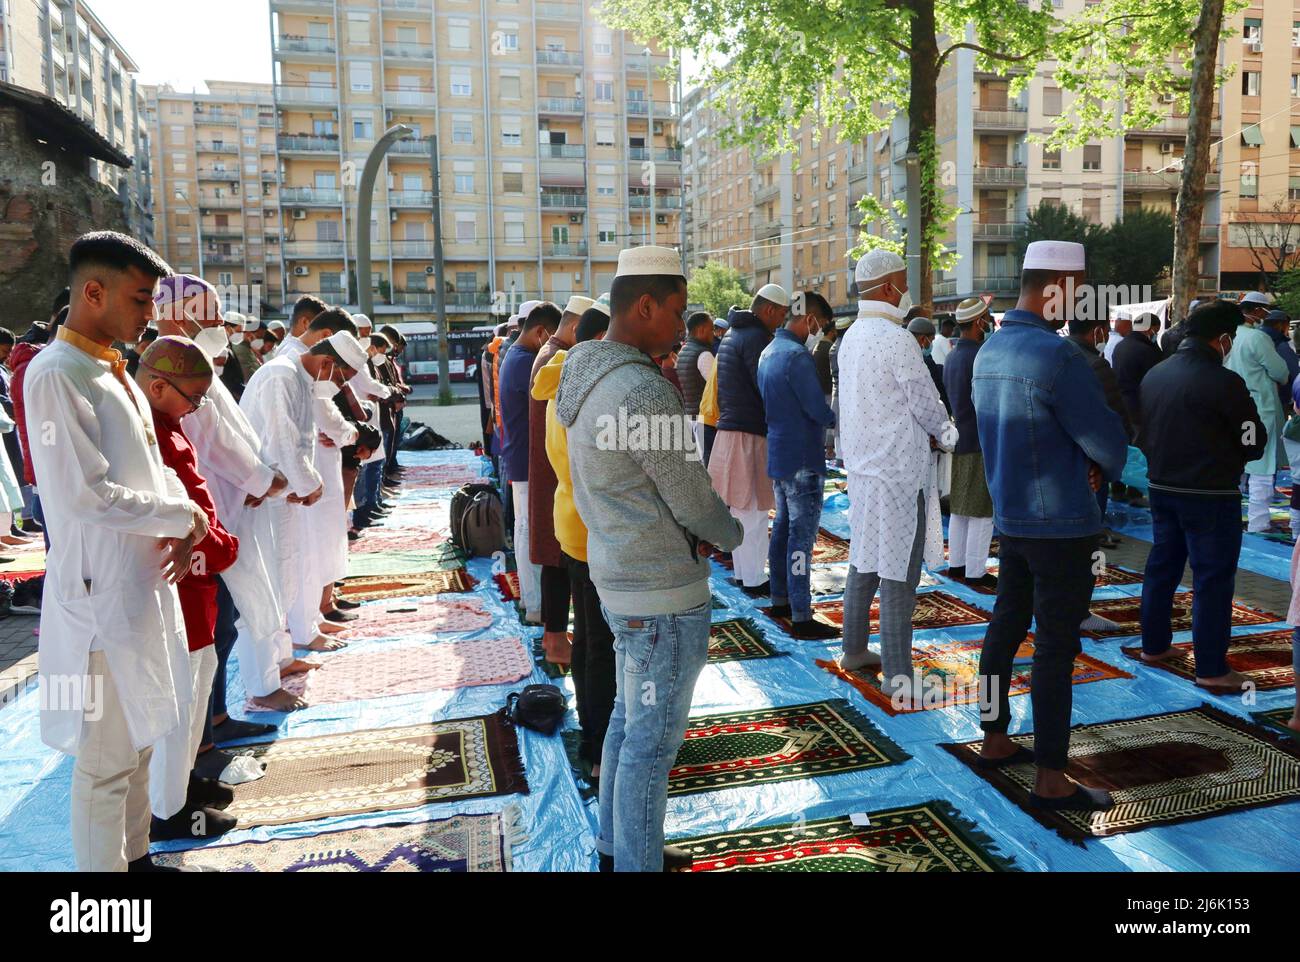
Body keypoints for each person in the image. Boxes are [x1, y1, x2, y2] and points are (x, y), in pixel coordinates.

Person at [27, 232, 210, 872]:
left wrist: (185, 521)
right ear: (94, 292)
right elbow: (83, 495)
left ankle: (136, 863)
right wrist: (179, 513)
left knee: (139, 742)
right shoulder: (54, 374)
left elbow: (152, 471)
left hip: (141, 590)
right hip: (97, 607)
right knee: (104, 763)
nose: (149, 316)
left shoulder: (116, 371)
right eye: (140, 299)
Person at [557, 246, 743, 872]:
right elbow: (691, 498)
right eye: (678, 311)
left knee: (626, 721)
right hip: (660, 589)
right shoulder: (641, 390)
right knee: (652, 741)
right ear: (645, 306)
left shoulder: (584, 368)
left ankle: (617, 845)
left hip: (617, 574)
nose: (685, 325)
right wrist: (733, 533)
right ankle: (636, 860)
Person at [971, 240, 1129, 812]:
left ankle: (994, 738)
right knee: (1055, 648)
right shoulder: (1056, 358)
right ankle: (1051, 777)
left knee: (1006, 625)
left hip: (1010, 516)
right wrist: (1093, 463)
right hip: (1060, 523)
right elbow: (1106, 440)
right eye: (1078, 288)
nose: (1079, 300)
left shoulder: (989, 349)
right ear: (1057, 287)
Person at [152, 276, 302, 724]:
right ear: (180, 314)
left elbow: (234, 435)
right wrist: (262, 480)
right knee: (214, 626)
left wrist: (261, 479)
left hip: (230, 510)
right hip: (211, 516)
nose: (220, 324)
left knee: (226, 620)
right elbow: (215, 443)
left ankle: (212, 721)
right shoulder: (174, 367)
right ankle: (208, 726)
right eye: (212, 316)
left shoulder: (197, 362)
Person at [135, 336, 242, 842]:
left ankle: (177, 788)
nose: (196, 408)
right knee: (179, 701)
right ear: (158, 385)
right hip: (180, 584)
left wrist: (216, 543)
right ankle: (168, 811)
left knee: (197, 688)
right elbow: (176, 517)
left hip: (197, 585)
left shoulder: (167, 426)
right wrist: (219, 548)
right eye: (191, 397)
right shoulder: (143, 436)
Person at [837, 250, 955, 704]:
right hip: (899, 474)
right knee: (898, 574)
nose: (908, 289)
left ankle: (852, 650)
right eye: (904, 281)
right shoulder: (896, 339)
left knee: (864, 560)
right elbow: (926, 403)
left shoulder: (852, 337)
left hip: (865, 470)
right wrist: (949, 434)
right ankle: (898, 676)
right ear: (889, 288)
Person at [1137, 300, 1266, 695]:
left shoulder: (1156, 374)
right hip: (1209, 494)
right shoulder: (1224, 383)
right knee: (1212, 578)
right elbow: (1253, 440)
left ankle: (1154, 646)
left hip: (1162, 488)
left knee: (1163, 567)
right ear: (1223, 339)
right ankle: (1211, 667)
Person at [533, 304, 617, 782]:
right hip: (594, 526)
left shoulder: (558, 380)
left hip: (571, 522)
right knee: (600, 645)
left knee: (588, 640)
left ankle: (593, 735)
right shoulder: (591, 387)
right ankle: (601, 745)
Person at [240, 320, 356, 654]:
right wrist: (310, 485)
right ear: (327, 363)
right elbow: (283, 443)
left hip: (285, 492)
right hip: (267, 494)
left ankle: (294, 644)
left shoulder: (298, 376)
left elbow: (300, 442)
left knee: (295, 566)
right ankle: (273, 667)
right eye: (340, 378)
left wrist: (305, 485)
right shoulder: (282, 374)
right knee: (273, 582)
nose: (339, 387)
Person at [758, 291, 837, 639]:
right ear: (810, 320)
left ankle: (781, 599)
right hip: (804, 457)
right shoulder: (797, 357)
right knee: (800, 540)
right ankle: (802, 615)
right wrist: (836, 416)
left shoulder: (768, 351)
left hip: (779, 453)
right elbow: (817, 410)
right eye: (820, 325)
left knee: (784, 532)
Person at [709, 285, 789, 595]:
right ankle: (754, 579)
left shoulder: (732, 333)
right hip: (749, 433)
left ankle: (745, 575)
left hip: (732, 431)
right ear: (769, 310)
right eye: (780, 316)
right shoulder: (756, 338)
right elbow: (766, 386)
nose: (780, 323)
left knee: (741, 512)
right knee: (753, 513)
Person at [529, 295, 592, 664]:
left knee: (556, 562)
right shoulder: (557, 361)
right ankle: (555, 639)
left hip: (553, 472)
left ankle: (555, 637)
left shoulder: (553, 357)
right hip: (556, 473)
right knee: (556, 562)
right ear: (574, 329)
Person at [500, 303, 562, 624]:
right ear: (541, 333)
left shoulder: (515, 355)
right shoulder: (526, 362)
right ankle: (536, 603)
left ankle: (532, 599)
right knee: (529, 530)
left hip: (519, 456)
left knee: (526, 528)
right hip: (526, 459)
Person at [1065, 314, 1134, 551]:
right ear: (1097, 330)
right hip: (1093, 453)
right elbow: (1114, 416)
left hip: (1063, 452)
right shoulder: (1095, 363)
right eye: (1105, 330)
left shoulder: (1056, 356)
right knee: (1093, 503)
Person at [943, 298, 996, 588]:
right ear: (978, 322)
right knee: (981, 511)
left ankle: (957, 565)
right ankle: (976, 572)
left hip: (961, 437)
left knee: (961, 507)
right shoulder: (980, 356)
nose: (988, 323)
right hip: (979, 439)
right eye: (986, 318)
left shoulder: (953, 355)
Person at [1226, 294, 1289, 533]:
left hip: (1233, 409)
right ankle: (1258, 523)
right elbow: (1280, 372)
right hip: (1260, 410)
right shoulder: (1257, 338)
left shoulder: (1228, 336)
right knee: (1261, 467)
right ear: (1259, 311)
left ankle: (1230, 520)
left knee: (1237, 468)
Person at [1111, 312, 1163, 435]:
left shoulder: (1120, 345)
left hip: (1122, 403)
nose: (1155, 335)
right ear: (1148, 329)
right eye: (1155, 331)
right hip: (1140, 407)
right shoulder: (1146, 351)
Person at [676, 311, 715, 454]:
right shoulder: (703, 354)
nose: (714, 333)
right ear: (701, 330)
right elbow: (716, 387)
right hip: (704, 420)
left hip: (690, 417)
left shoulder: (683, 351)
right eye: (711, 329)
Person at [907, 315, 950, 412]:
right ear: (923, 339)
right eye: (931, 340)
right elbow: (939, 396)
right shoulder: (927, 363)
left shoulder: (900, 358)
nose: (931, 344)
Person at [1261, 310, 1299, 412]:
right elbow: (1294, 372)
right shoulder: (1281, 344)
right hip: (1282, 396)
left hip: (1262, 396)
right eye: (1288, 325)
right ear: (1280, 325)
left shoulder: (1257, 338)